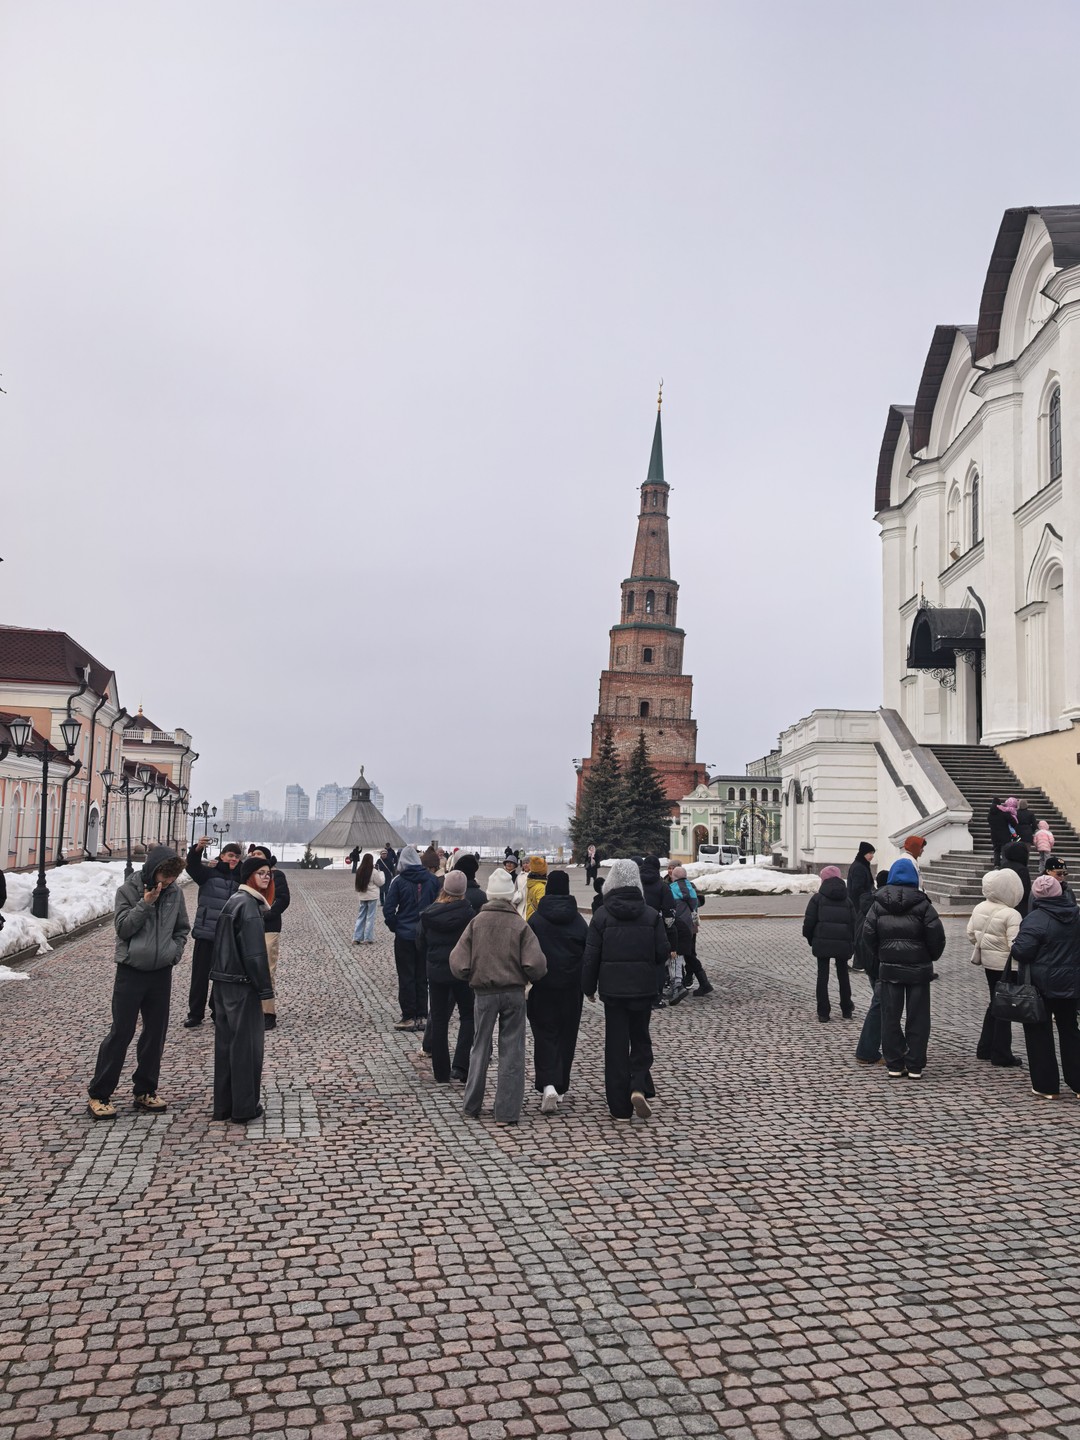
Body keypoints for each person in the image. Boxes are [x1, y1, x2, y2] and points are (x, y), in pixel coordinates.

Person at [87, 846, 190, 1119]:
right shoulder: (127, 891)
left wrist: (174, 952)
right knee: (121, 1033)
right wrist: (145, 903)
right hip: (131, 972)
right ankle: (99, 1093)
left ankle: (145, 1090)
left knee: (155, 1034)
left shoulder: (175, 893)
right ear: (152, 869)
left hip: (160, 973)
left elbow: (182, 928)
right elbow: (123, 928)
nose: (166, 882)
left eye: (171, 877)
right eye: (164, 875)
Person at [450, 865, 547, 1124]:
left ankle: (472, 1104)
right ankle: (505, 1112)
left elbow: (458, 962)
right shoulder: (519, 925)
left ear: (491, 895)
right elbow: (536, 964)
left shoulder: (476, 923)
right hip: (514, 992)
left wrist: (471, 975)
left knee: (480, 1047)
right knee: (512, 1050)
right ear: (509, 895)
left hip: (483, 993)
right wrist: (527, 977)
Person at [582, 858, 669, 1120]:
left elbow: (590, 957)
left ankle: (620, 1107)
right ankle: (638, 1084)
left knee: (616, 1045)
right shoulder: (651, 915)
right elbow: (662, 952)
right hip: (643, 989)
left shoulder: (601, 916)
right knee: (640, 1038)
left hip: (613, 992)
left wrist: (588, 987)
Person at [861, 856, 945, 1079]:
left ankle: (895, 1063)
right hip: (918, 970)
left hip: (889, 968)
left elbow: (868, 935)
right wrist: (929, 957)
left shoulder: (878, 905)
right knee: (918, 1017)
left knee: (890, 1017)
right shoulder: (924, 904)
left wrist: (881, 955)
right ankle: (915, 1064)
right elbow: (937, 937)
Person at [209, 855, 275, 1124]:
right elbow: (255, 956)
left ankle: (224, 1106)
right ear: (249, 877)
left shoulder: (233, 902)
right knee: (246, 1049)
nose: (267, 877)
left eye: (269, 873)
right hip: (241, 986)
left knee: (226, 1047)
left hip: (223, 985)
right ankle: (245, 1108)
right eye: (261, 873)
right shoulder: (247, 906)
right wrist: (264, 990)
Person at [1010, 873, 1080, 1098]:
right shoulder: (1077, 915)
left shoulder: (1035, 919)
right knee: (1070, 1031)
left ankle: (1046, 1086)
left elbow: (1022, 951)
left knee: (1039, 1032)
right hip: (1071, 983)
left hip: (1041, 985)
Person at [527, 869, 588, 1112]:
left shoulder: (536, 920)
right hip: (571, 989)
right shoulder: (578, 921)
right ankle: (560, 1085)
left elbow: (527, 953)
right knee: (567, 1035)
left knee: (544, 1034)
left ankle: (548, 1084)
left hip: (543, 986)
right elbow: (588, 952)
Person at [416, 871, 475, 1083]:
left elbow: (420, 943)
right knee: (469, 1017)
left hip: (437, 973)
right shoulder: (469, 914)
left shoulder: (429, 914)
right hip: (463, 972)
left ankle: (441, 1072)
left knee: (439, 1020)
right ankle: (460, 1066)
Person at [967, 868, 1024, 1069]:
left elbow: (971, 934)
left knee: (994, 1002)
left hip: (989, 964)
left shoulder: (979, 907)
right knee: (1004, 1008)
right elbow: (1015, 946)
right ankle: (1001, 1053)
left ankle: (985, 1047)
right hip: (1006, 967)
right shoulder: (1012, 914)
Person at [182, 838, 242, 1028]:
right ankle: (195, 1013)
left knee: (222, 976)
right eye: (230, 855)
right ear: (222, 855)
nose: (233, 859)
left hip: (228, 935)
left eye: (237, 856)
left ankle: (218, 1010)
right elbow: (191, 866)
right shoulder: (208, 873)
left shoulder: (241, 877)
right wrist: (198, 849)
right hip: (206, 932)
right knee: (200, 976)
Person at [383, 844, 441, 1031]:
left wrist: (396, 927)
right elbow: (438, 906)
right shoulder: (432, 880)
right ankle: (422, 1015)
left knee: (406, 976)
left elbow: (389, 910)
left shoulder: (398, 881)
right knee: (423, 976)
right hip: (425, 934)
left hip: (405, 935)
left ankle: (409, 1016)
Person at [801, 865, 856, 1022]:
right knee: (843, 975)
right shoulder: (847, 900)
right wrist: (851, 942)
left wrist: (811, 939)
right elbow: (854, 923)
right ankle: (846, 1008)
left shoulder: (817, 899)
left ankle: (823, 1012)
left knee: (822, 976)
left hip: (822, 943)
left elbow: (809, 923)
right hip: (843, 944)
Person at [249, 845, 289, 1031]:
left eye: (259, 854)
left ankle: (268, 1012)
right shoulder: (248, 875)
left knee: (267, 970)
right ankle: (251, 1008)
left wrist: (268, 914)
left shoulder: (276, 875)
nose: (255, 856)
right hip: (249, 927)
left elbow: (283, 899)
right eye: (253, 853)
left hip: (269, 927)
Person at [853, 869, 891, 1066]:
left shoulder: (867, 902)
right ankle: (866, 1051)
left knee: (884, 1004)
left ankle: (894, 1045)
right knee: (880, 1004)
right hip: (879, 962)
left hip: (869, 961)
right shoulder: (882, 905)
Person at [669, 867, 712, 996]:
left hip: (679, 926)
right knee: (689, 954)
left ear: (673, 876)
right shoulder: (691, 887)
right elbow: (699, 902)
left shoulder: (672, 888)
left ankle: (683, 984)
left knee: (680, 954)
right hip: (690, 927)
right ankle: (701, 982)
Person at [353, 852, 384, 943]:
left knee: (361, 916)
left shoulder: (359, 870)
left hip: (363, 896)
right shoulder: (373, 871)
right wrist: (381, 873)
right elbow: (380, 883)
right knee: (370, 917)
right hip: (372, 896)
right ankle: (368, 938)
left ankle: (357, 937)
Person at [1001, 840, 1032, 918]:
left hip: (1004, 903)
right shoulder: (1022, 869)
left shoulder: (1004, 866)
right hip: (1019, 906)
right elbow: (1026, 890)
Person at [988, 797, 1019, 868]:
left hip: (994, 835)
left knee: (996, 850)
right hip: (1004, 835)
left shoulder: (990, 814)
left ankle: (996, 864)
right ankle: (1004, 865)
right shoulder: (1003, 813)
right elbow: (1013, 821)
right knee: (1004, 850)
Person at [846, 843, 876, 913]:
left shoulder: (862, 865)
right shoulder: (859, 867)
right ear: (864, 853)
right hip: (859, 905)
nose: (872, 856)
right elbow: (857, 888)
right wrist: (869, 898)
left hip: (860, 904)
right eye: (870, 853)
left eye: (873, 853)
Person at [522, 856, 547, 920]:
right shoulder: (540, 887)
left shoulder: (531, 883)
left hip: (530, 917)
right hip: (537, 921)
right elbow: (543, 908)